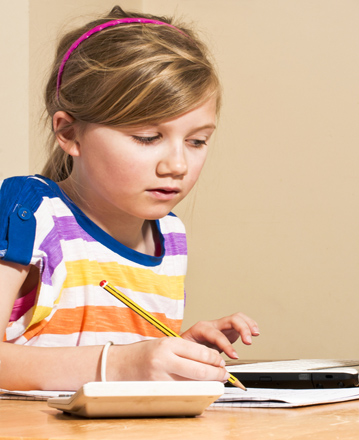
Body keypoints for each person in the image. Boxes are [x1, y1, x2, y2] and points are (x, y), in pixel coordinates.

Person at [0, 6, 259, 391]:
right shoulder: (31, 214)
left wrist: (174, 355)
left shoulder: (170, 236)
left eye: (197, 141)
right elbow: (110, 366)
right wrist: (120, 365)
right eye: (147, 137)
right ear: (70, 133)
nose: (177, 165)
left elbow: (118, 370)